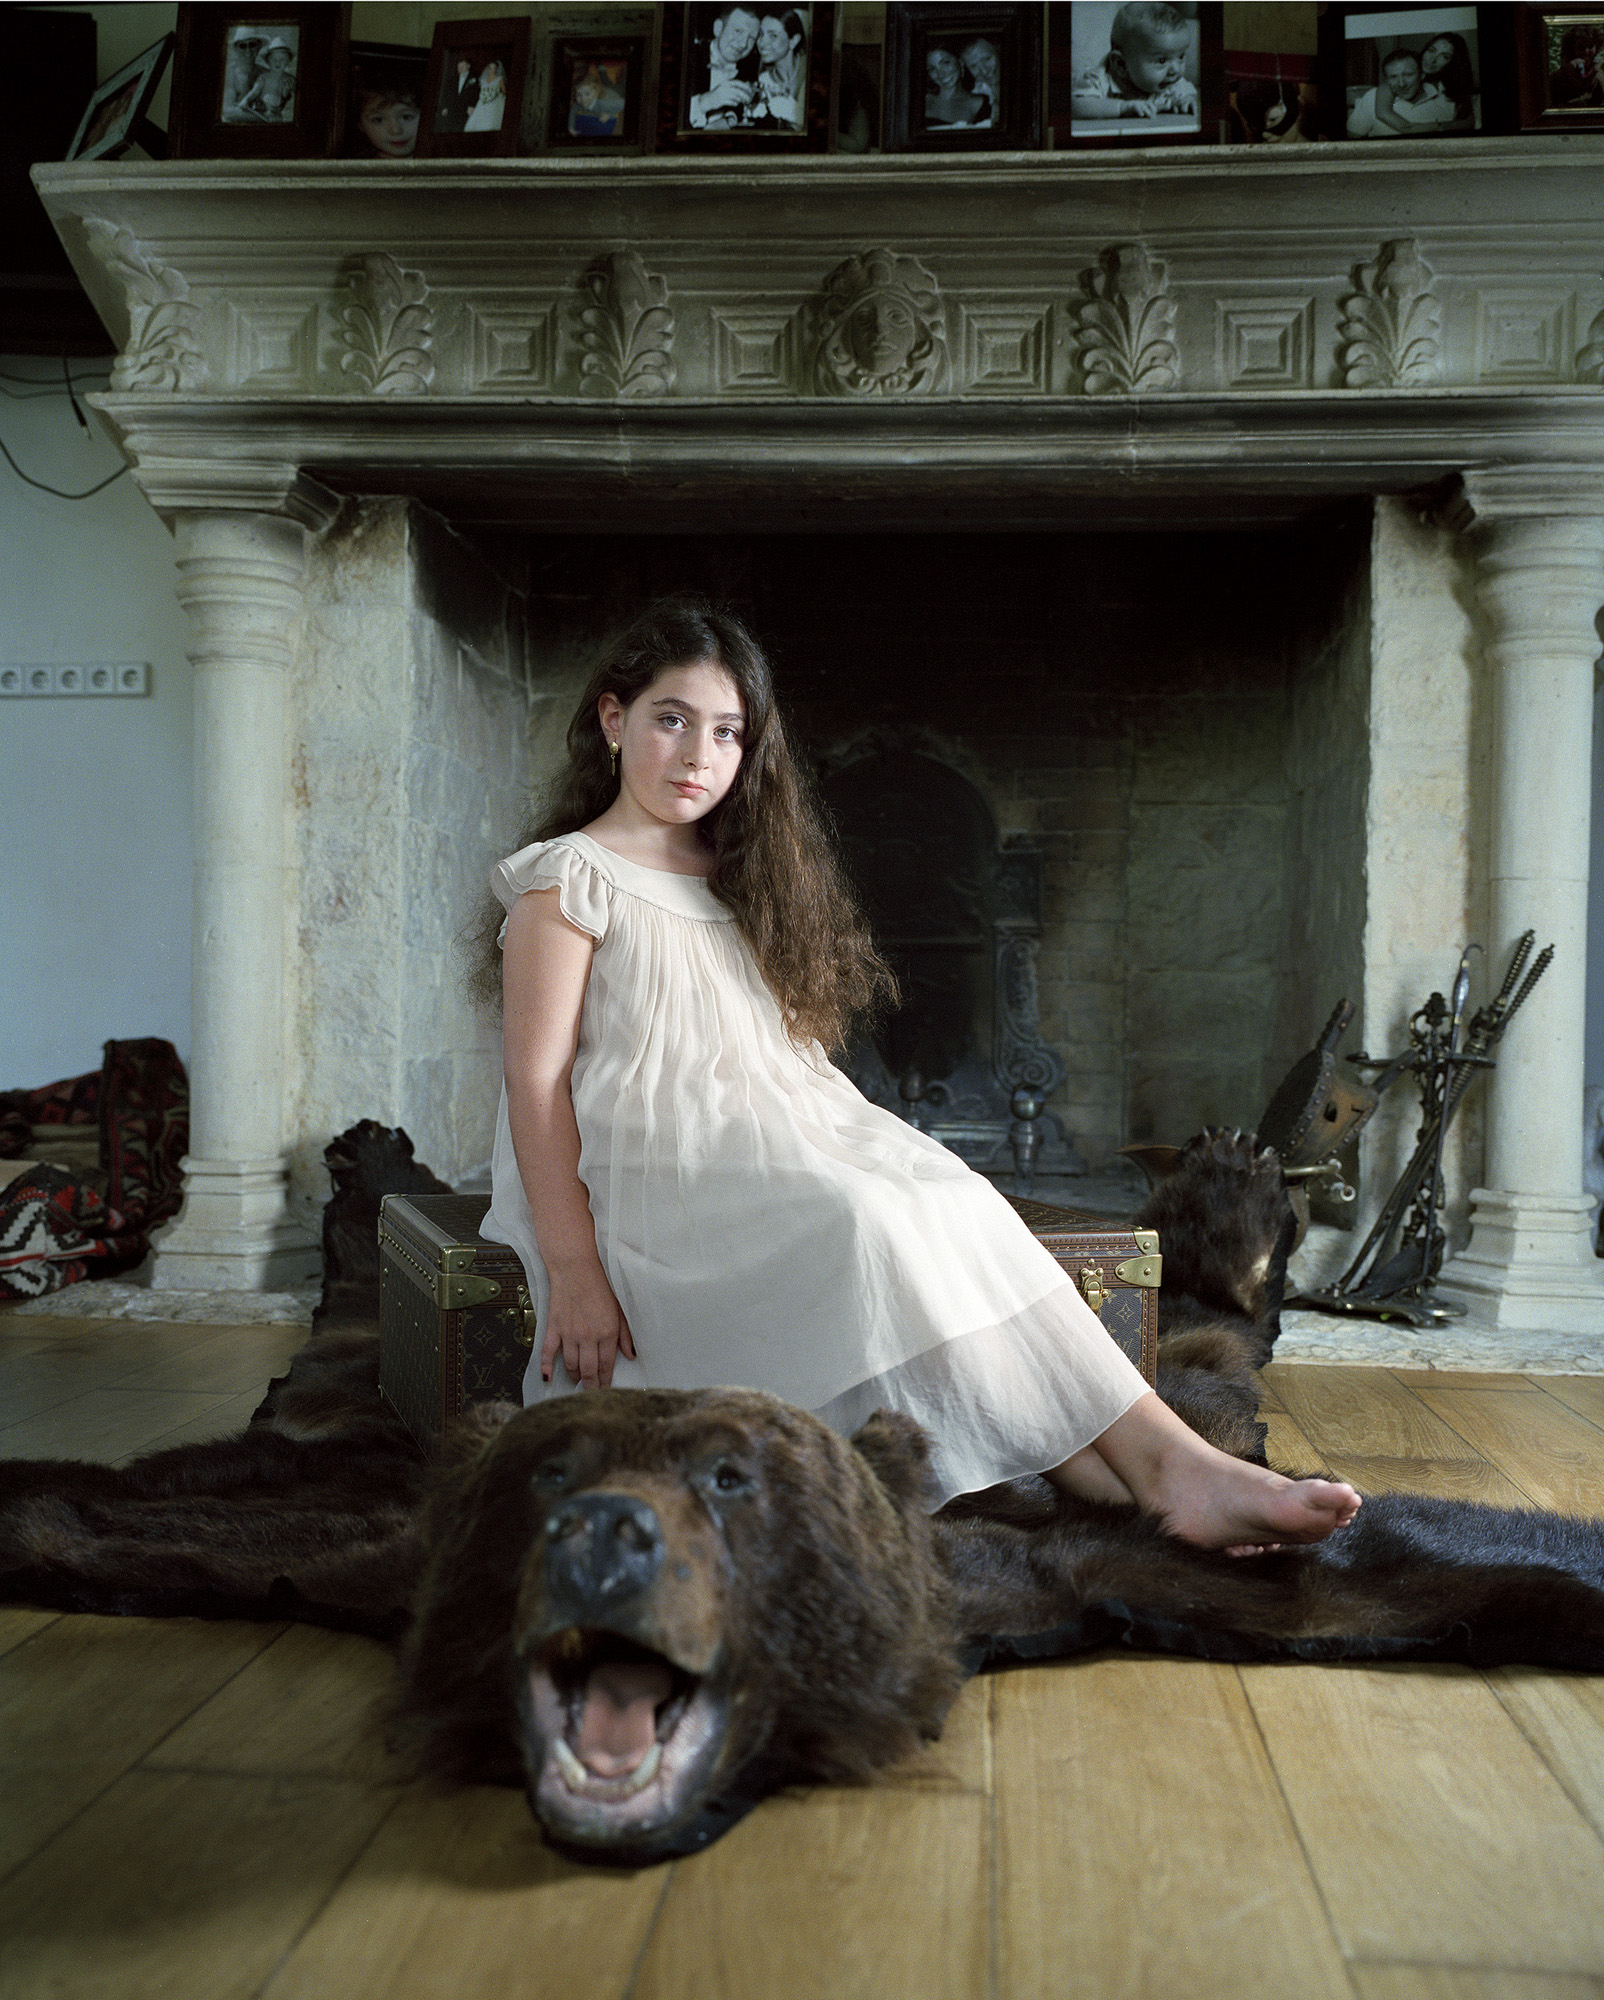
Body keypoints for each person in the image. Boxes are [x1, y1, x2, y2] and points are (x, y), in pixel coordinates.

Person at [480, 599, 1363, 1557]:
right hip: (660, 1168)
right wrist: (572, 1267)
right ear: (614, 721)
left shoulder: (740, 868)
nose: (698, 754)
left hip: (785, 1120)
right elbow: (537, 1082)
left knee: (955, 1195)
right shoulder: (567, 879)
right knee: (868, 1217)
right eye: (671, 719)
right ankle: (1161, 1470)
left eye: (728, 732)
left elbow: (771, 1046)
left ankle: (1150, 1466)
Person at [1072, 2, 1198, 121]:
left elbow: (1190, 94)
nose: (1175, 69)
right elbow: (1076, 106)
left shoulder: (1172, 83)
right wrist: (1122, 107)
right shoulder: (1100, 79)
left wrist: (1187, 101)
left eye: (1181, 56)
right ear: (1121, 64)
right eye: (1162, 60)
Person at [687, 7, 762, 129]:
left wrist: (729, 119)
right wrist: (705, 102)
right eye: (738, 31)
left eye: (751, 38)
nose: (743, 44)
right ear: (718, 28)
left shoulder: (750, 68)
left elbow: (742, 110)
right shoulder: (688, 58)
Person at [752, 9, 807, 129]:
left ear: (793, 40)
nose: (762, 43)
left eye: (773, 36)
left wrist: (795, 114)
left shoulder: (811, 71)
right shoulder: (765, 79)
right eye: (761, 34)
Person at [925, 46, 990, 128]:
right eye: (931, 69)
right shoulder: (920, 102)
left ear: (960, 62)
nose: (941, 74)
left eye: (946, 63)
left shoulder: (983, 104)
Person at [236, 38, 297, 123]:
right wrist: (245, 100)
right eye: (273, 59)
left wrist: (286, 92)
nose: (277, 62)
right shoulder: (263, 77)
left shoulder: (290, 79)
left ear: (288, 61)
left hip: (277, 113)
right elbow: (254, 91)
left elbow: (288, 99)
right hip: (261, 110)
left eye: (282, 59)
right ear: (268, 61)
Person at [435, 55, 479, 133]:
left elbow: (476, 94)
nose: (460, 68)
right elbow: (447, 94)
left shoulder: (474, 79)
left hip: (465, 111)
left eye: (463, 65)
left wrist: (472, 106)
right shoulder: (453, 79)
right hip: (452, 110)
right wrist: (444, 107)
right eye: (459, 66)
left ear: (468, 66)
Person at [463, 60, 507, 132]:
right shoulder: (483, 79)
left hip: (494, 102)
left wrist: (495, 94)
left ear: (496, 69)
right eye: (490, 68)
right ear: (488, 68)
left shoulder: (500, 79)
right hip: (482, 102)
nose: (492, 70)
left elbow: (504, 91)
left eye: (494, 68)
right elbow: (480, 91)